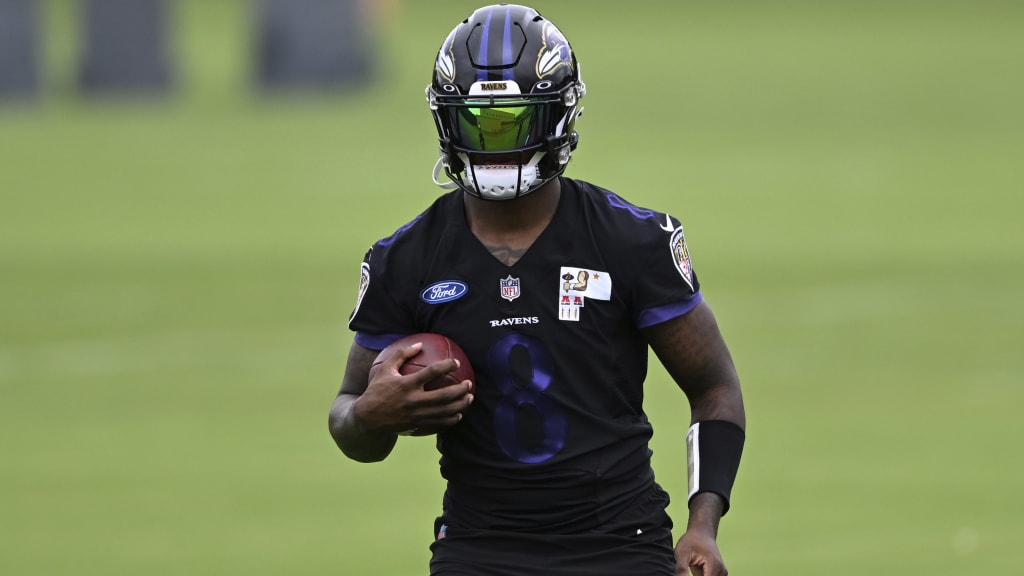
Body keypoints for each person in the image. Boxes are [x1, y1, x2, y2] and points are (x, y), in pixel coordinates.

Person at [328, 4, 746, 575]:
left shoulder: (631, 239)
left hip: (621, 541)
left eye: (514, 120)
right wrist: (371, 417)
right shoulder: (405, 258)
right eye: (476, 119)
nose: (494, 142)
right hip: (479, 547)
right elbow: (350, 417)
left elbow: (715, 388)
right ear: (448, 121)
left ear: (557, 115)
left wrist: (703, 527)